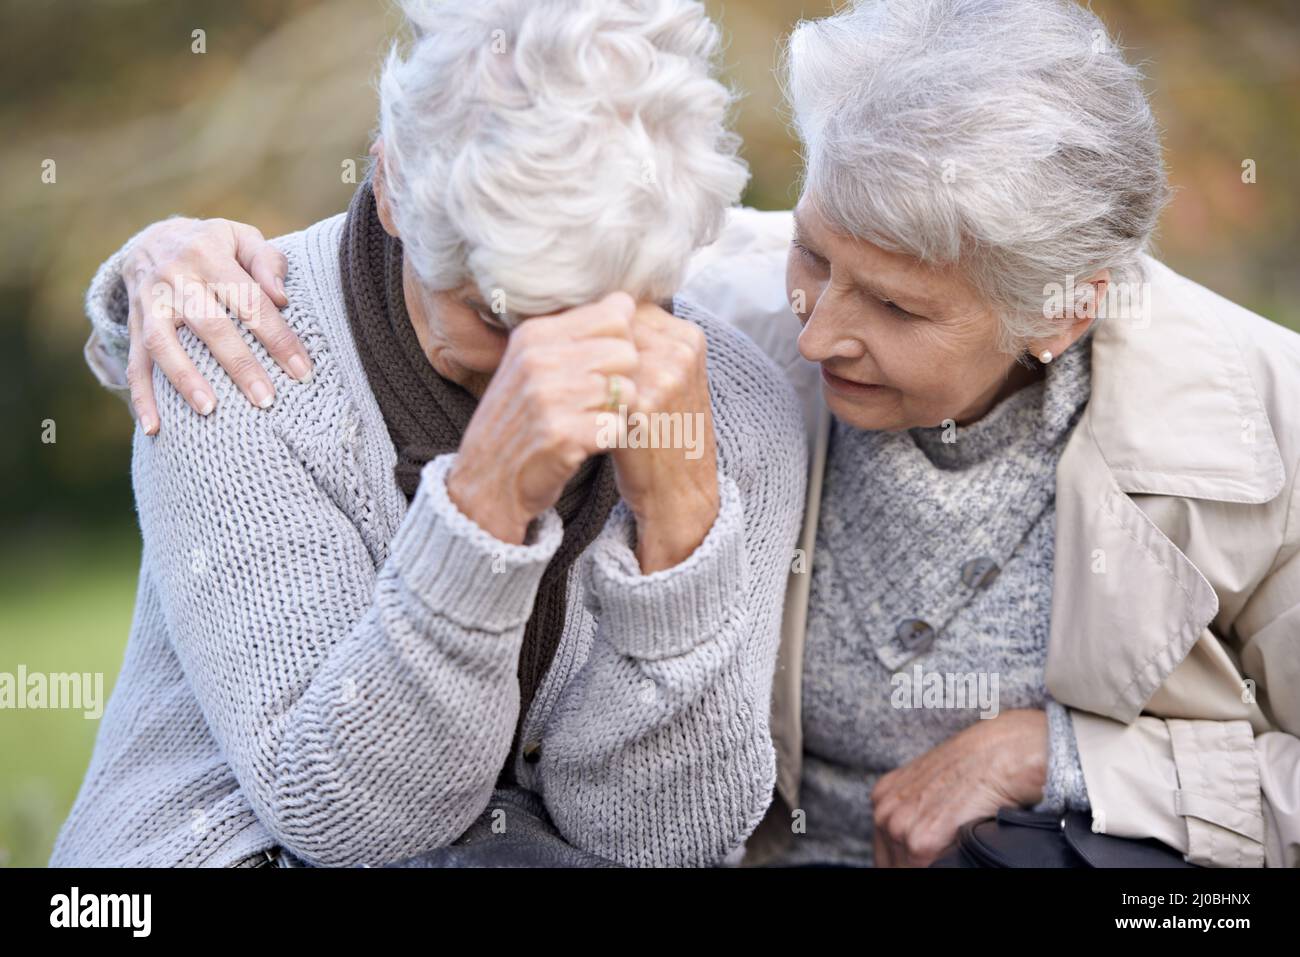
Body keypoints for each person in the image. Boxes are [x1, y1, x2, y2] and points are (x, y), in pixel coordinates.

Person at [77, 0, 1300, 869]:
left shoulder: (1258, 426)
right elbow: (354, 828)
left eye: (896, 308)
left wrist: (1066, 759)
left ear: (1059, 310)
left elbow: (658, 842)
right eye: (813, 257)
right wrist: (159, 261)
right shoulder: (699, 292)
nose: (816, 331)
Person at [50, 0, 806, 868]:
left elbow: (660, 844)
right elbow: (345, 826)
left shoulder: (737, 411)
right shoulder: (227, 342)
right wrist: (485, 506)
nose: (540, 369)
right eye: (493, 313)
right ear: (392, 181)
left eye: (591, 311)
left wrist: (681, 540)